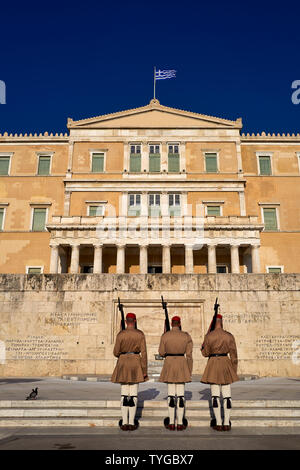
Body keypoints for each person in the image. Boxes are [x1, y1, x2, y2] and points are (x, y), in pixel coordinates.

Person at [201, 312, 238, 431]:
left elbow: (205, 353)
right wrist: (233, 371)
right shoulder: (229, 336)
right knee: (227, 396)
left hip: (213, 364)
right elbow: (234, 355)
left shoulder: (209, 336)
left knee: (215, 396)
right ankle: (226, 423)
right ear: (222, 322)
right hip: (226, 363)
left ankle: (218, 422)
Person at [111, 312, 148, 431]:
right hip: (136, 362)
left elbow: (116, 352)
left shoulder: (121, 334)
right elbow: (144, 353)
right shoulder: (140, 334)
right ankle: (131, 422)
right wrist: (144, 370)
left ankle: (124, 422)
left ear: (126, 322)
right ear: (135, 321)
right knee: (133, 394)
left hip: (123, 363)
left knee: (124, 394)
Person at [158, 315, 193, 431]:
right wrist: (189, 371)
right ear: (180, 323)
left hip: (169, 364)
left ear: (171, 324)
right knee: (181, 396)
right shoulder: (186, 336)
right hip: (182, 364)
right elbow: (189, 355)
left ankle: (172, 422)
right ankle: (181, 422)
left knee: (171, 395)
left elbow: (161, 352)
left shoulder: (165, 335)